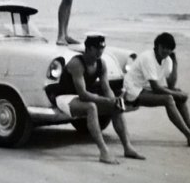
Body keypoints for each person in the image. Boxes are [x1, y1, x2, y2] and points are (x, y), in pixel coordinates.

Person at [55, 33, 145, 164]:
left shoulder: (101, 63)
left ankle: (127, 147)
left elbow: (106, 87)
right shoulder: (77, 63)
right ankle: (103, 151)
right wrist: (105, 101)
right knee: (91, 107)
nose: (100, 52)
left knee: (117, 106)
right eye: (97, 49)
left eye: (102, 48)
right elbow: (83, 95)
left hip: (80, 96)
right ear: (88, 48)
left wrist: (113, 101)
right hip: (64, 97)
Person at [123, 32, 190, 148]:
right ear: (157, 46)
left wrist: (174, 63)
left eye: (169, 49)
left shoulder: (167, 59)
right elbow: (156, 87)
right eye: (163, 47)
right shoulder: (148, 57)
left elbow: (171, 84)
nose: (166, 51)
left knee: (178, 94)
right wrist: (176, 94)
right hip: (133, 91)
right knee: (169, 98)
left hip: (146, 88)